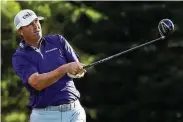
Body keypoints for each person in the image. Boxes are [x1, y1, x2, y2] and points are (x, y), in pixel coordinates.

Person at [12, 9, 87, 122]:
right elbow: (37, 83)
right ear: (20, 31)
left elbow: (77, 68)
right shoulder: (20, 56)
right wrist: (65, 68)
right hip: (44, 116)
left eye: (36, 21)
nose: (36, 26)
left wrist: (77, 71)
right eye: (29, 24)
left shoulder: (58, 41)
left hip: (73, 112)